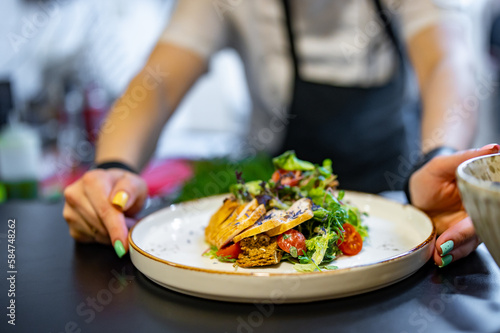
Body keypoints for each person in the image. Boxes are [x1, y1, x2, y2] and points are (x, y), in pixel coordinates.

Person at [63, 0, 488, 268]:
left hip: (400, 191)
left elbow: (445, 61)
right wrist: (113, 168)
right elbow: (158, 83)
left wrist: (440, 158)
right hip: (270, 204)